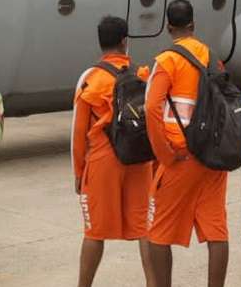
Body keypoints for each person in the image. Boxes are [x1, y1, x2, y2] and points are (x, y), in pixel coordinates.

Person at [144, 0, 229, 287]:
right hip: (212, 156)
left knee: (157, 232)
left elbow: (151, 108)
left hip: (180, 156)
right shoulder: (211, 57)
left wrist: (164, 155)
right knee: (216, 230)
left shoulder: (166, 61)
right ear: (193, 25)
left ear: (169, 27)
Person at [72, 16, 155, 287]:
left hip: (104, 160)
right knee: (146, 228)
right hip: (139, 158)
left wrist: (79, 172)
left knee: (94, 231)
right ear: (124, 42)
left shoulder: (90, 78)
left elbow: (78, 133)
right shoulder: (142, 75)